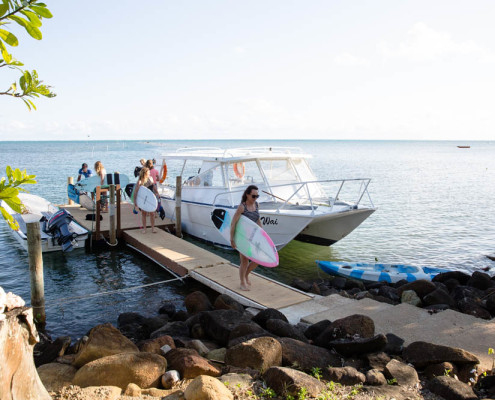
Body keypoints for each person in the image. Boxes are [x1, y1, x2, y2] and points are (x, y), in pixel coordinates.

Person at [230, 185, 262, 291]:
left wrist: (262, 234)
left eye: (257, 196)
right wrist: (232, 239)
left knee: (258, 259)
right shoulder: (242, 207)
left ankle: (246, 275)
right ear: (247, 195)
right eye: (253, 196)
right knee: (244, 261)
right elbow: (233, 223)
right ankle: (242, 282)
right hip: (242, 236)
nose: (255, 198)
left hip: (253, 236)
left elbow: (257, 220)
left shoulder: (257, 205)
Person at [134, 167, 158, 234]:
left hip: (150, 198)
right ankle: (144, 228)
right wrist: (135, 202)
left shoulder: (150, 179)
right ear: (145, 173)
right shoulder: (140, 181)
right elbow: (136, 192)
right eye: (148, 172)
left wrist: (157, 193)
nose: (150, 173)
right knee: (144, 214)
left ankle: (153, 228)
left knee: (152, 213)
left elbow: (153, 186)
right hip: (143, 199)